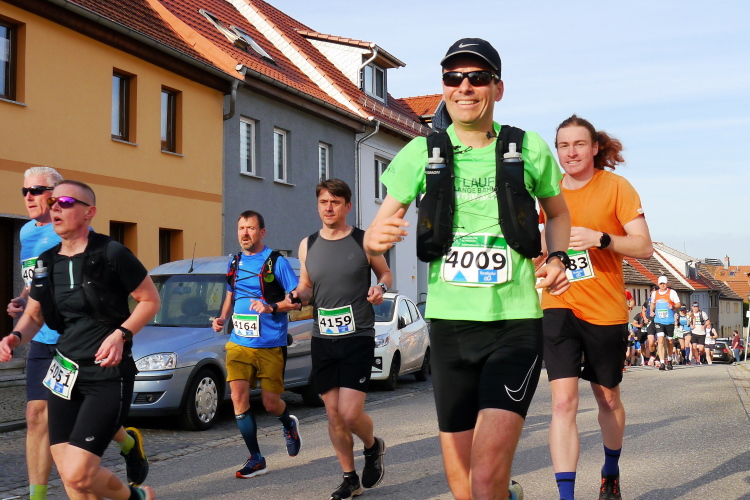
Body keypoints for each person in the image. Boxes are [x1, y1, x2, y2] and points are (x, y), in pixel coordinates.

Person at [363, 38, 571, 500]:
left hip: (514, 326)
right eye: (453, 78)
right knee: (463, 488)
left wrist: (558, 258)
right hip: (450, 328)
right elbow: (377, 229)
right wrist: (372, 241)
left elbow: (558, 214)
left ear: (498, 88)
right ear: (444, 87)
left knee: (486, 475)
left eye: (477, 77)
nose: (464, 87)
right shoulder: (421, 153)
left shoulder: (528, 148)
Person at [0, 180, 159, 499]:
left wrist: (121, 334)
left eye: (66, 202)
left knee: (77, 471)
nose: (56, 207)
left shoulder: (112, 253)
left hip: (106, 374)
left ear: (89, 212)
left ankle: (137, 497)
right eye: (54, 202)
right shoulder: (46, 262)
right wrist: (16, 336)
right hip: (65, 373)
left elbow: (150, 300)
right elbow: (35, 315)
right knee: (71, 477)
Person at [540, 115, 653, 500]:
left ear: (593, 149)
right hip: (558, 303)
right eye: (563, 145)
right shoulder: (547, 191)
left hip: (605, 309)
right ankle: (566, 496)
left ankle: (610, 470)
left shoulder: (616, 187)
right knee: (563, 402)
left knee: (607, 398)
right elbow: (538, 245)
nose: (570, 152)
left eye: (578, 144)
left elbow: (643, 246)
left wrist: (601, 238)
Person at [291, 179, 392, 500]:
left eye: (335, 202)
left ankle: (372, 446)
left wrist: (380, 288)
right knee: (333, 414)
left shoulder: (364, 241)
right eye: (324, 202)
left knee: (349, 413)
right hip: (323, 337)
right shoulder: (307, 245)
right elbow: (306, 285)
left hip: (357, 336)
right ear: (318, 206)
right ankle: (350, 478)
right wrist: (297, 295)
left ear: (347, 206)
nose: (329, 207)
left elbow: (385, 274)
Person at [211, 210, 303, 478]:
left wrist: (270, 307)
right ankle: (256, 458)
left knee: (271, 404)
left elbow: (297, 301)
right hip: (239, 343)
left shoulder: (277, 262)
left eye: (250, 228)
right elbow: (231, 294)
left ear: (262, 232)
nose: (245, 233)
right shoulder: (235, 262)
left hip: (270, 344)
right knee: (238, 398)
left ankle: (288, 423)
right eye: (241, 228)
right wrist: (222, 317)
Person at [650, 276, 680, 371]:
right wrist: (651, 311)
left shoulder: (672, 292)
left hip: (669, 321)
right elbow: (652, 303)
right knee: (660, 340)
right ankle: (662, 362)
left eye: (664, 283)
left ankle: (669, 360)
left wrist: (673, 306)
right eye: (661, 284)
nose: (662, 285)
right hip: (659, 321)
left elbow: (678, 304)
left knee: (670, 341)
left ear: (667, 284)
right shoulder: (655, 293)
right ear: (658, 284)